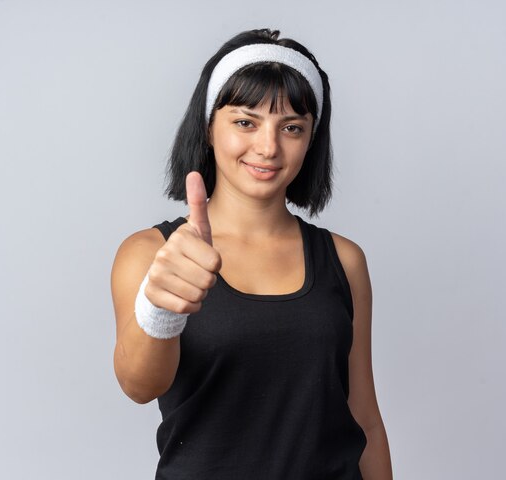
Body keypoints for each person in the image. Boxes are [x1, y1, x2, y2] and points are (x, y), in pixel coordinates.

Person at [111, 28, 393, 480]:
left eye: (292, 128)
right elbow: (139, 386)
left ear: (311, 140)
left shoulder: (344, 260)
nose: (268, 146)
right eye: (245, 121)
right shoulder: (150, 253)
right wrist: (161, 306)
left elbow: (365, 419)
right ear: (208, 126)